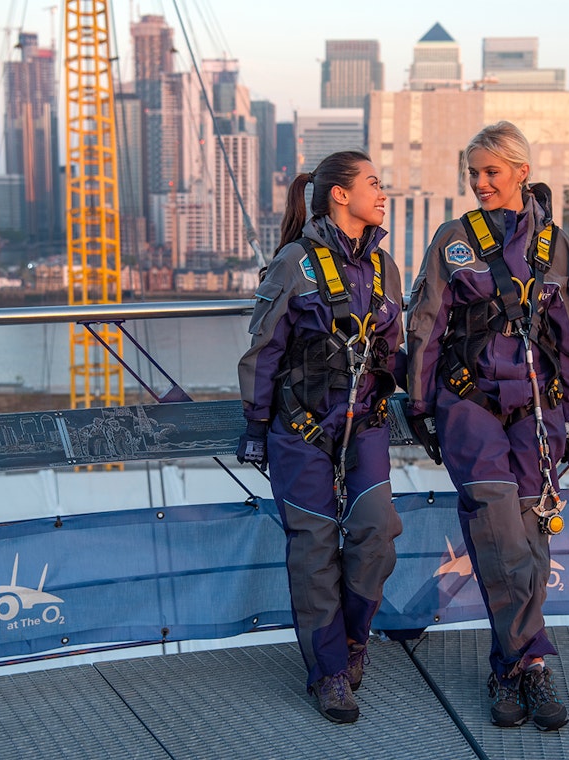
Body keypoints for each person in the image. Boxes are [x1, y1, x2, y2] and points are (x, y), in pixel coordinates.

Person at [405, 122, 569, 731]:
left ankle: (506, 670)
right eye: (473, 174)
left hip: (539, 411)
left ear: (520, 172)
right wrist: (419, 405)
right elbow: (426, 325)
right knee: (498, 532)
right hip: (469, 406)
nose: (480, 183)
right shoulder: (454, 241)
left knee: (532, 539)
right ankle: (533, 664)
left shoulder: (555, 247)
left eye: (491, 172)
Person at [237, 150, 404, 724]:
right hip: (302, 429)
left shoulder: (385, 269)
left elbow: (393, 349)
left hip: (365, 424)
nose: (383, 194)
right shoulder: (293, 264)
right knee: (313, 552)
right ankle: (329, 672)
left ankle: (353, 641)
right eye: (374, 184)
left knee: (377, 532)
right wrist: (257, 426)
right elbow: (264, 350)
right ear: (340, 194)